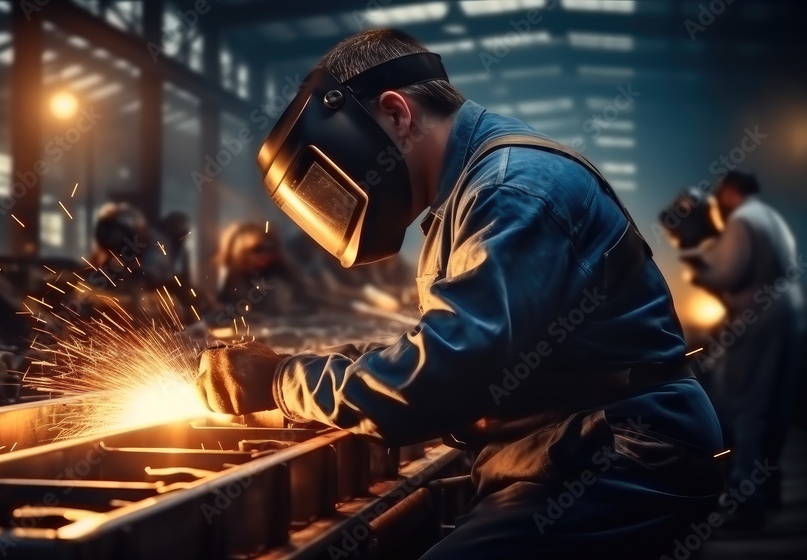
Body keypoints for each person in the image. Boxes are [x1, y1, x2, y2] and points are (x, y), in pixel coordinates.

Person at [197, 30, 724, 558]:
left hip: (622, 457)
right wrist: (302, 369)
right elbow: (440, 346)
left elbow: (440, 377)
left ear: (397, 114)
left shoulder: (510, 189)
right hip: (567, 450)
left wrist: (283, 381)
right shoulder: (471, 196)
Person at [683, 170, 805, 528]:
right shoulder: (772, 219)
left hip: (759, 314)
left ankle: (746, 500)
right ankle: (769, 487)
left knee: (746, 407)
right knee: (774, 405)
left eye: (721, 194)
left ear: (732, 192)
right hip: (791, 312)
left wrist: (694, 255)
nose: (718, 202)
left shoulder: (742, 220)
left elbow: (726, 275)